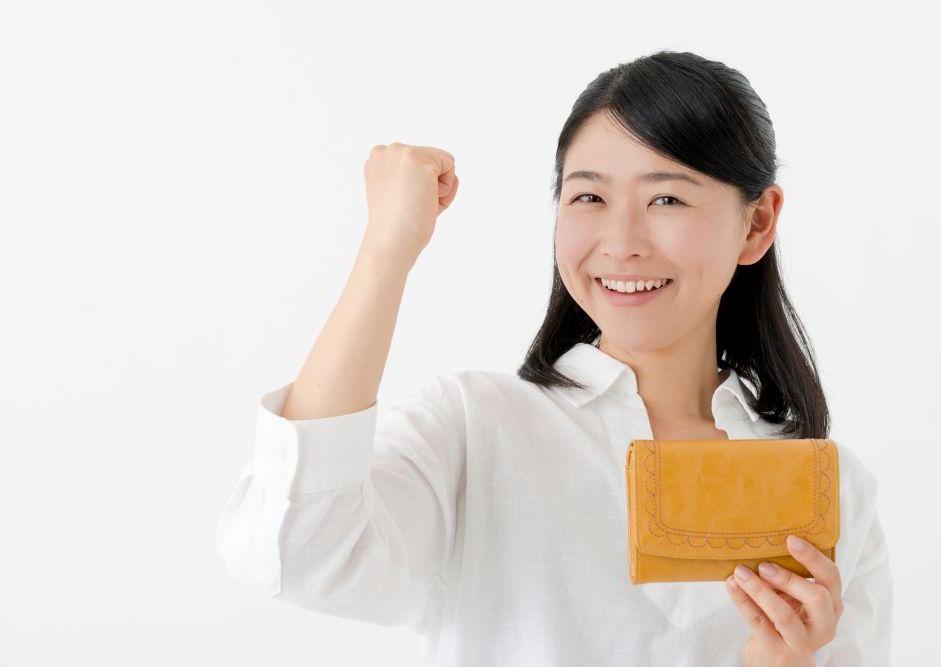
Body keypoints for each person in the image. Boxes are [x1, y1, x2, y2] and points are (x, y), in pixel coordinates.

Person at [215, 50, 893, 666]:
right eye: (589, 196)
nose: (620, 242)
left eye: (666, 198)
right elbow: (294, 551)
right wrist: (387, 247)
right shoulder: (476, 428)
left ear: (757, 223)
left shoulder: (830, 490)